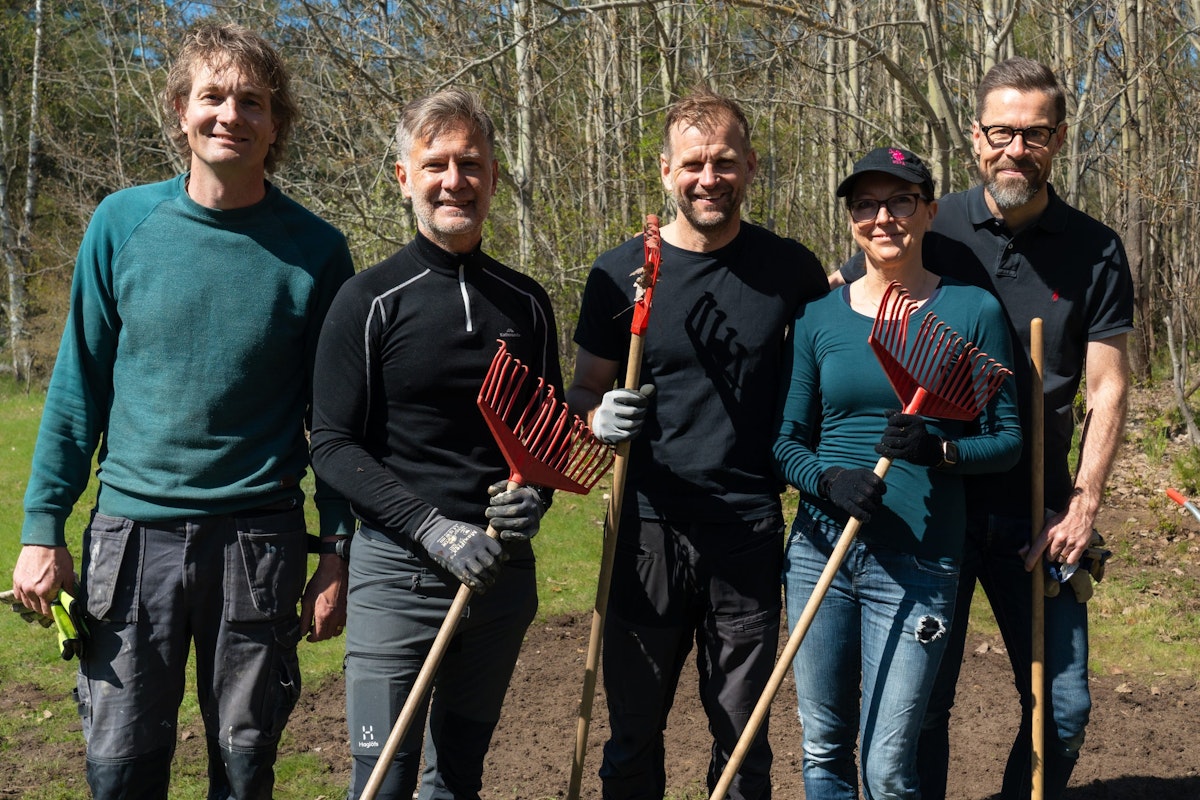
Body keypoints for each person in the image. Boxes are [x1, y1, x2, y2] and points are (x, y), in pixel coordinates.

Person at [10, 22, 355, 799]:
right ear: (180, 111)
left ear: (277, 123)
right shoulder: (120, 225)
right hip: (132, 543)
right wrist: (42, 529)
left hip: (258, 546)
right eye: (212, 96)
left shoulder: (317, 251)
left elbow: (335, 423)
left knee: (244, 763)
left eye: (252, 101)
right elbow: (77, 391)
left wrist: (335, 550)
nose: (230, 114)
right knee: (120, 766)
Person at [833, 58, 1134, 800]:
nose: (1015, 149)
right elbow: (844, 302)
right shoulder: (930, 225)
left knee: (1063, 709)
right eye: (1001, 131)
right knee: (924, 704)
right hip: (934, 501)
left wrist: (1086, 503)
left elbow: (1106, 383)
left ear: (1058, 140)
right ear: (975, 137)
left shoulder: (1094, 249)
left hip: (1039, 510)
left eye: (1033, 134)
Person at [567, 89, 828, 800]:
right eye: (693, 163)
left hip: (744, 526)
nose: (708, 177)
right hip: (643, 528)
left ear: (749, 167)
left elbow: (827, 365)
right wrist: (596, 418)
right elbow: (581, 390)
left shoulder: (789, 271)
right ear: (664, 172)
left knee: (741, 737)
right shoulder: (620, 272)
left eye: (724, 162)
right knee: (630, 734)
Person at [309, 87, 558, 800]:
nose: (456, 181)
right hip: (398, 577)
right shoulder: (368, 300)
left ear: (494, 177)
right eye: (438, 164)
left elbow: (537, 438)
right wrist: (432, 529)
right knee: (380, 781)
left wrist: (531, 500)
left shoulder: (528, 303)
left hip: (501, 582)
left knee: (457, 780)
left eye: (472, 164)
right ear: (404, 177)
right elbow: (330, 443)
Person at [774, 145, 1021, 800]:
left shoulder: (972, 314)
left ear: (929, 210)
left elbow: (1008, 443)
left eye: (900, 200)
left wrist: (940, 452)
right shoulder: (819, 319)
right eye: (866, 204)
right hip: (820, 554)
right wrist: (826, 481)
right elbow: (787, 441)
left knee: (888, 767)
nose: (883, 216)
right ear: (852, 218)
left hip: (920, 561)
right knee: (823, 747)